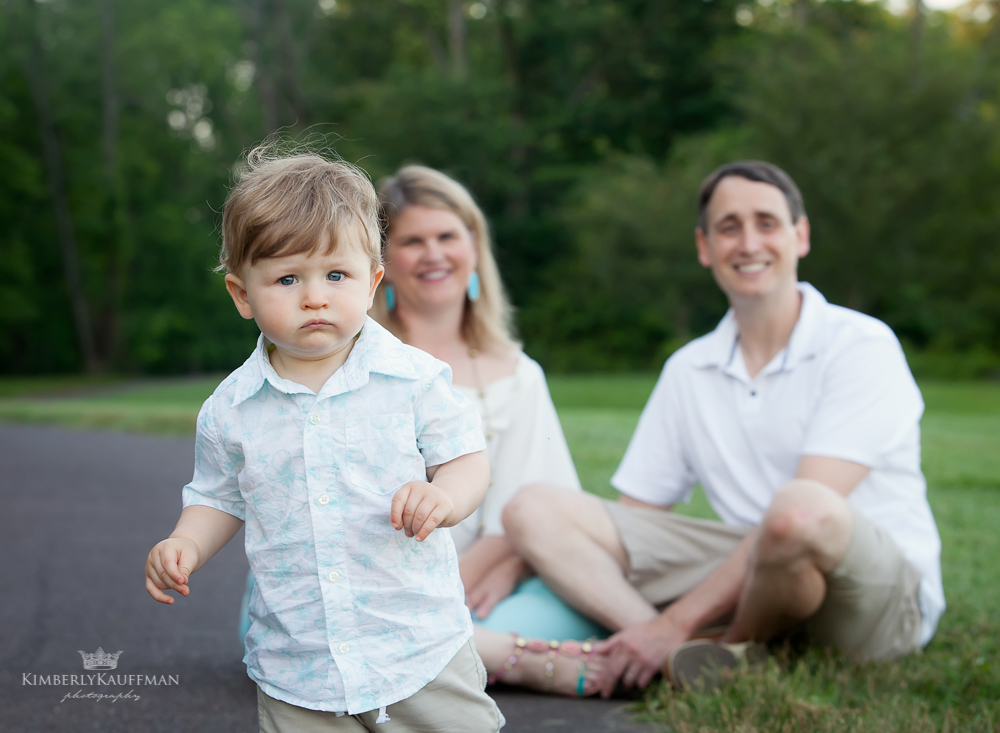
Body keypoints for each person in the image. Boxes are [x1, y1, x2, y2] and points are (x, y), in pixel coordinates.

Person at [503, 161, 945, 697]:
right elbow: (635, 523)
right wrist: (528, 558)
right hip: (764, 575)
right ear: (704, 247)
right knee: (533, 508)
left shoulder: (860, 345)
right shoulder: (690, 368)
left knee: (797, 510)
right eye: (729, 227)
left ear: (799, 236)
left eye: (766, 222)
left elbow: (805, 518)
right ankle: (668, 648)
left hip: (874, 596)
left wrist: (677, 618)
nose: (748, 242)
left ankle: (720, 648)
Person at [144, 149, 505, 731]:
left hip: (415, 646)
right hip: (297, 659)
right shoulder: (231, 409)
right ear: (242, 294)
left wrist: (446, 497)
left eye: (336, 276)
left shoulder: (413, 379)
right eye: (287, 279)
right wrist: (185, 543)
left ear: (372, 282)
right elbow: (216, 497)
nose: (314, 296)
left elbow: (467, 461)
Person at [376, 164, 608, 696]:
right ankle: (505, 656)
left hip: (487, 582)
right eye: (413, 241)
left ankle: (450, 646)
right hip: (377, 577)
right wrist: (431, 596)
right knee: (299, 618)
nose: (433, 254)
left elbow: (538, 502)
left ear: (474, 247)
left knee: (568, 610)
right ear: (383, 263)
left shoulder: (520, 374)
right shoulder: (358, 365)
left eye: (447, 236)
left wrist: (496, 570)